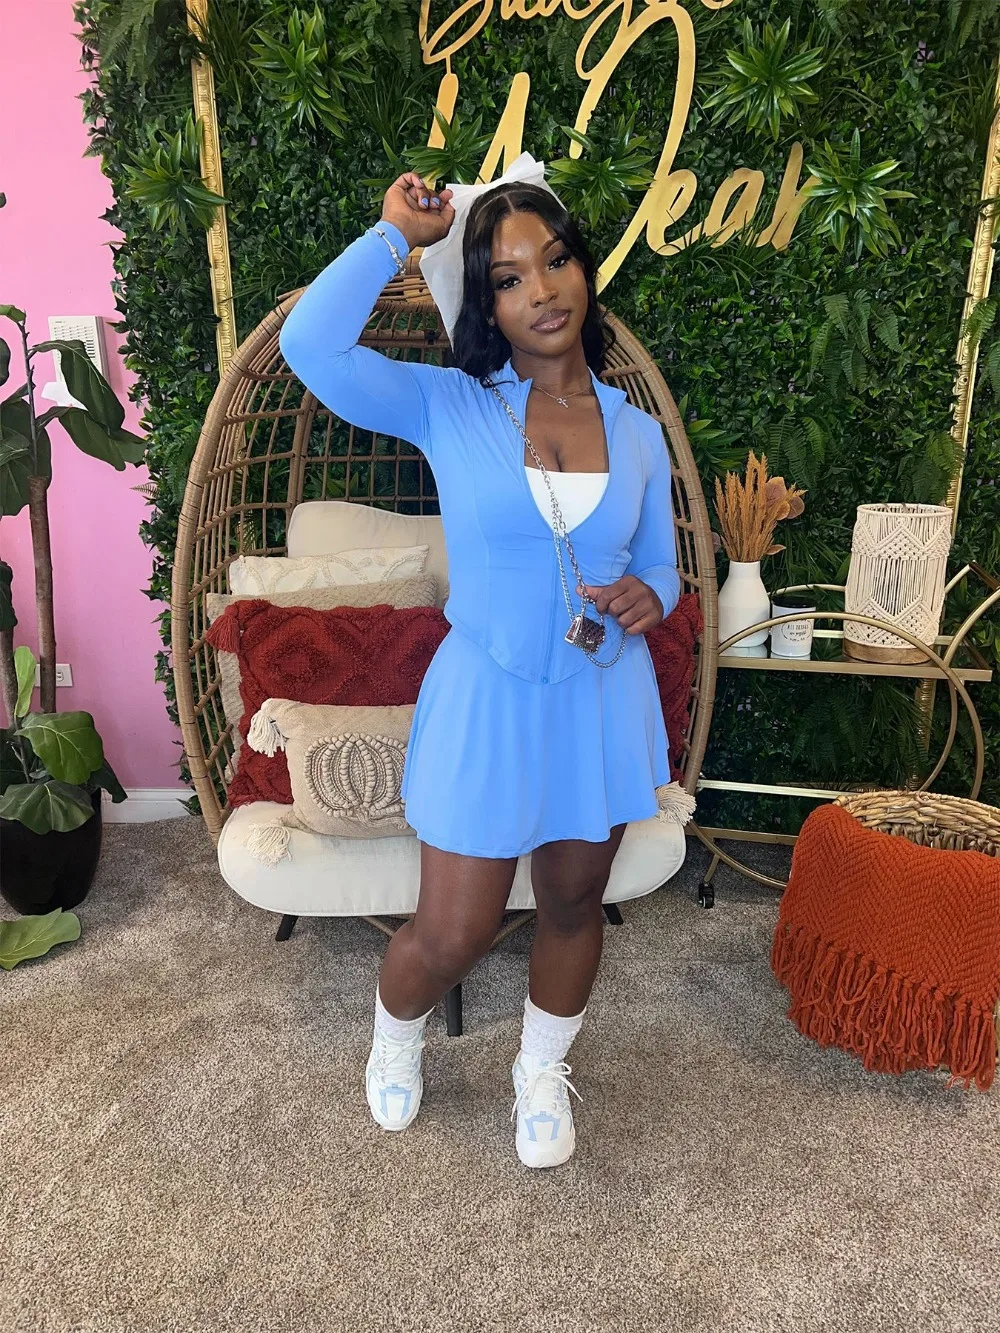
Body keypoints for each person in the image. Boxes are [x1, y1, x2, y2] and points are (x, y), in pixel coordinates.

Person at [278, 158, 679, 1169]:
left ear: (583, 271)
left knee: (575, 902)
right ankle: (394, 1034)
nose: (540, 289)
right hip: (486, 698)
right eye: (507, 277)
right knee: (452, 931)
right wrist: (394, 237)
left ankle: (540, 1070)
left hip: (599, 695)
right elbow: (308, 345)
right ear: (485, 304)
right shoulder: (447, 405)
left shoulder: (637, 434)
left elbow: (661, 566)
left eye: (555, 260)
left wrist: (654, 597)